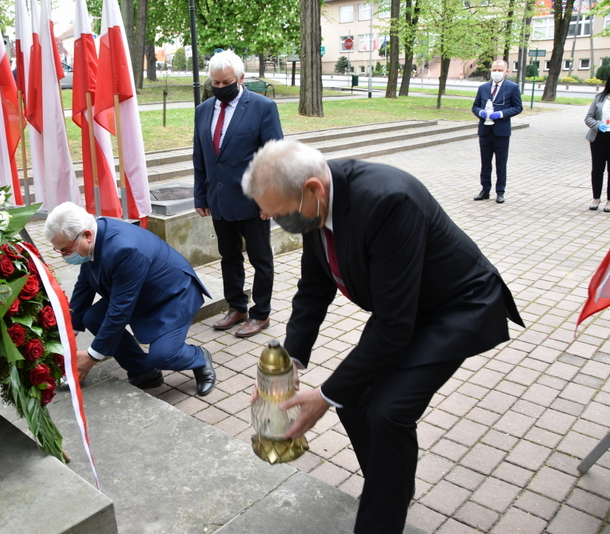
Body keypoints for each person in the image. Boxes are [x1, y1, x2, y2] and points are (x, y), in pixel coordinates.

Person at [241, 140, 524, 534]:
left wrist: (324, 396)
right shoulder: (311, 205)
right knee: (351, 400)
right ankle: (388, 487)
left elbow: (393, 326)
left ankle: (380, 517)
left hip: (457, 307)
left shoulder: (389, 200)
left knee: (388, 412)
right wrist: (289, 366)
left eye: (280, 214)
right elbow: (313, 289)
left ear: (313, 189)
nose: (277, 223)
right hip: (406, 306)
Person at [43, 202, 216, 396]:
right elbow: (83, 289)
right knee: (92, 317)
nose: (64, 256)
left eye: (66, 250)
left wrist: (91, 357)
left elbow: (119, 310)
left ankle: (199, 357)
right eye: (59, 250)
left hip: (171, 296)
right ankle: (144, 370)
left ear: (87, 235)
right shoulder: (92, 238)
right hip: (136, 292)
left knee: (164, 355)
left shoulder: (124, 249)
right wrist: (67, 336)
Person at [193, 50, 283, 338]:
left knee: (260, 259)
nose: (220, 87)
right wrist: (200, 196)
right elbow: (200, 157)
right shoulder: (203, 110)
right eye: (215, 83)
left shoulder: (263, 107)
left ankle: (261, 313)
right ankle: (237, 307)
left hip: (254, 201)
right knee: (229, 256)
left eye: (226, 82)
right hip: (219, 201)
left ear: (241, 78)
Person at [471, 59, 523, 204]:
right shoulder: (483, 88)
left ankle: (500, 192)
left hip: (501, 131)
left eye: (500, 70)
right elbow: (475, 106)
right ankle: (485, 190)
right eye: (494, 70)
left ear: (506, 71)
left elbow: (518, 107)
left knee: (501, 162)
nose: (496, 73)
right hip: (485, 131)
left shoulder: (512, 87)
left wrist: (501, 114)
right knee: (485, 162)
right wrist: (480, 112)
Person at [585, 77, 610, 211]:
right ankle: (596, 198)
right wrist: (597, 125)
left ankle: (609, 200)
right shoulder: (599, 98)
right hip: (599, 137)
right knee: (597, 169)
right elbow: (588, 117)